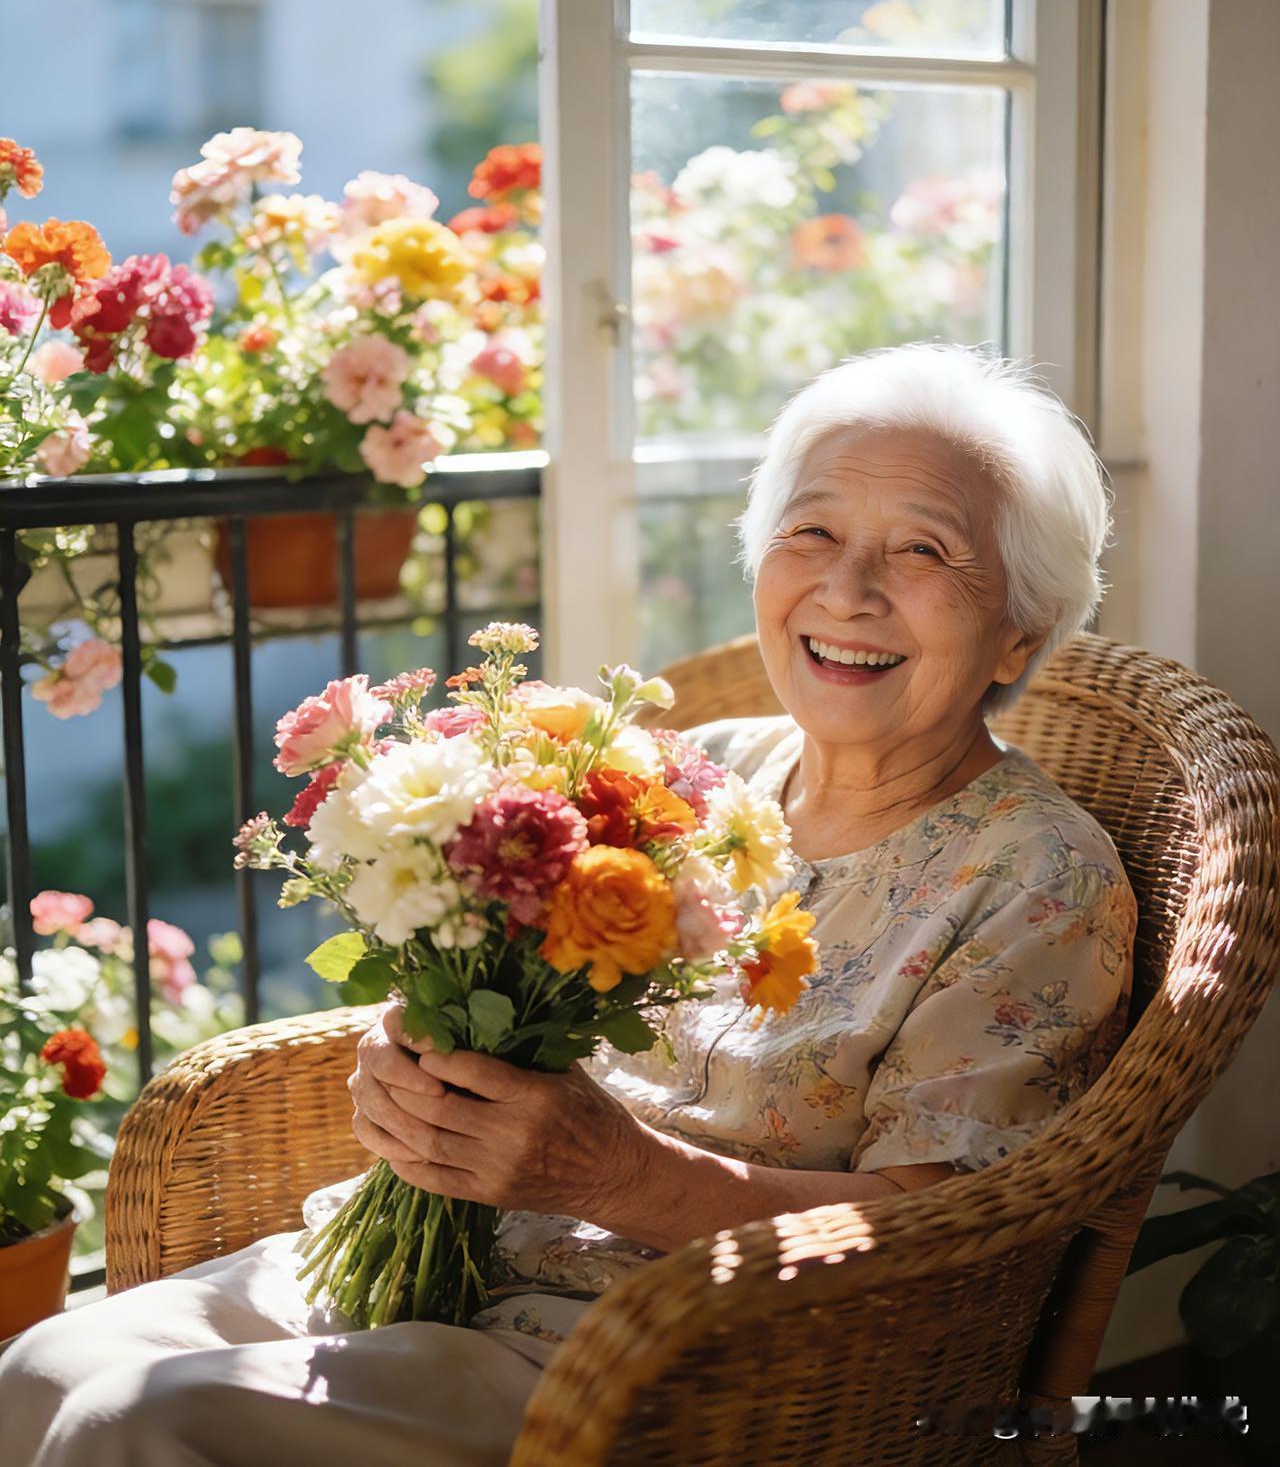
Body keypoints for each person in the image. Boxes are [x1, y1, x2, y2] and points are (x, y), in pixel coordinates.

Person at [0, 341, 1137, 1467]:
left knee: (130, 1422)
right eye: (813, 530)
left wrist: (618, 1174)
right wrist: (425, 1059)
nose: (845, 588)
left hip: (656, 1352)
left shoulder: (1036, 879)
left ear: (1016, 633)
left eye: (922, 549)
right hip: (440, 1262)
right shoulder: (703, 764)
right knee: (35, 1369)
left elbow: (940, 1240)